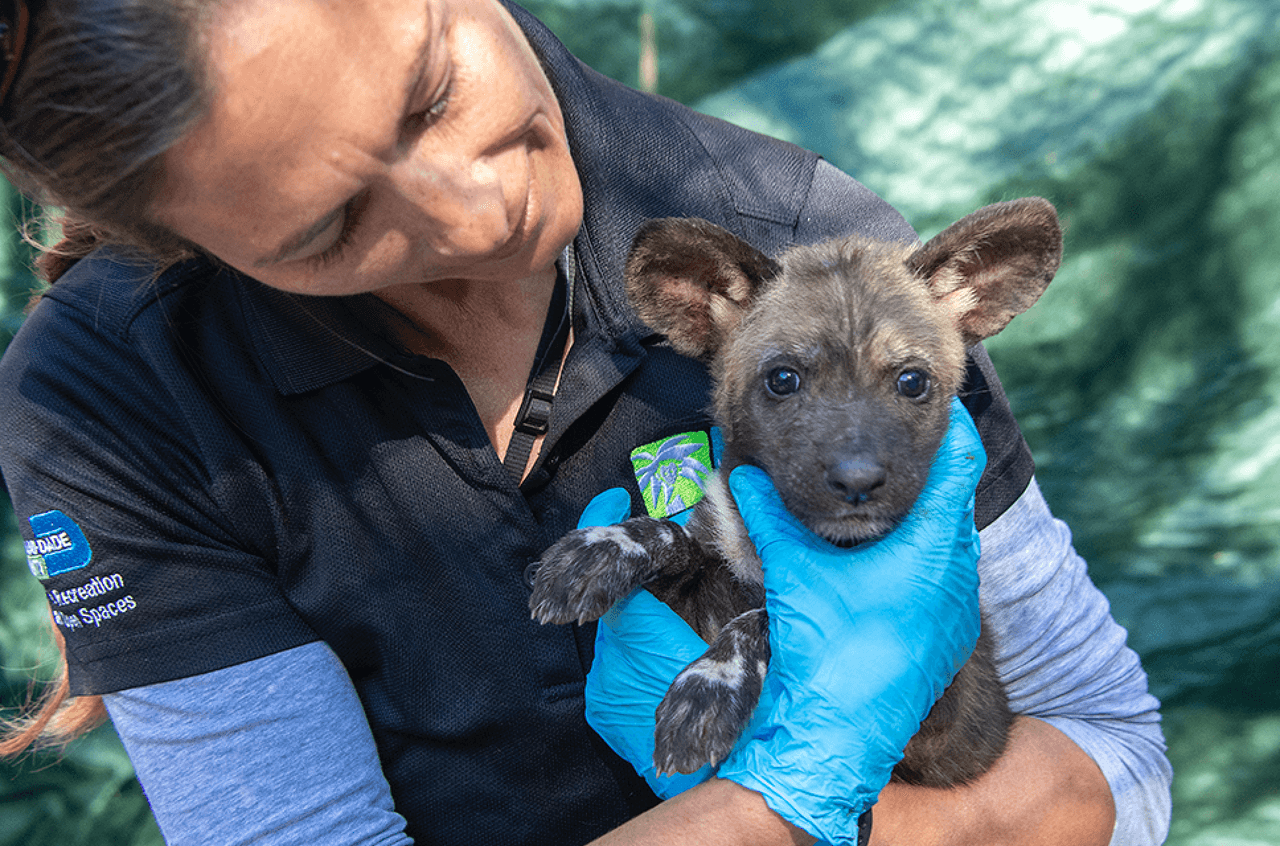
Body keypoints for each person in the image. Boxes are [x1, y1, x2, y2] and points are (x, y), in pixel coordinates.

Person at [0, 1, 1171, 844]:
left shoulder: (796, 253)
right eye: (332, 225)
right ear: (192, 247)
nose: (481, 209)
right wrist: (787, 802)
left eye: (433, 90)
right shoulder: (114, 393)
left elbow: (1112, 761)